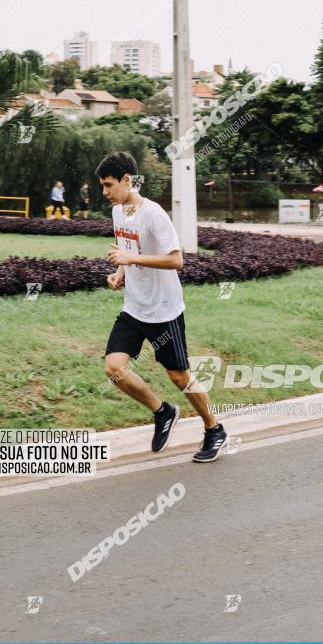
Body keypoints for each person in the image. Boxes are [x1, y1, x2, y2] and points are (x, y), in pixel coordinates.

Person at [98, 151, 228, 463]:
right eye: (102, 186)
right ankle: (163, 411)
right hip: (134, 307)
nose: (104, 192)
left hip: (164, 310)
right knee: (114, 369)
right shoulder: (119, 212)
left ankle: (214, 429)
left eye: (108, 184)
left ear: (127, 181)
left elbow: (176, 260)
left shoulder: (153, 214)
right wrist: (120, 273)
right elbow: (128, 252)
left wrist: (130, 260)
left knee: (179, 376)